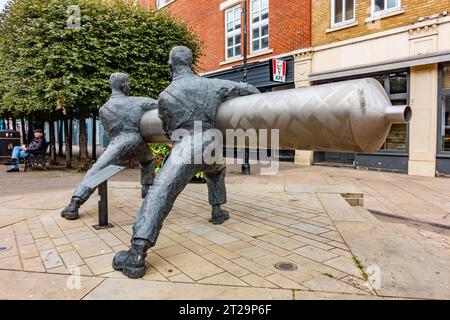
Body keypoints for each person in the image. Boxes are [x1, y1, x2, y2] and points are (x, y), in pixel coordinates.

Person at [112, 46, 260, 278]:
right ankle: (217, 210)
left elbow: (169, 130)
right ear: (191, 63)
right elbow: (249, 89)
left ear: (170, 65)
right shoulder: (212, 84)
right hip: (212, 143)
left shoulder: (165, 96)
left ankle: (137, 252)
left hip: (188, 145)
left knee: (161, 191)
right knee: (216, 169)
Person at [60, 73, 157, 220]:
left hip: (117, 143)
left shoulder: (104, 109)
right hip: (137, 141)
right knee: (149, 160)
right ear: (124, 85)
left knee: (96, 171)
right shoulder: (139, 101)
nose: (129, 86)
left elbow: (108, 132)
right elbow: (160, 105)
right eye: (128, 83)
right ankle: (147, 188)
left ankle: (74, 205)